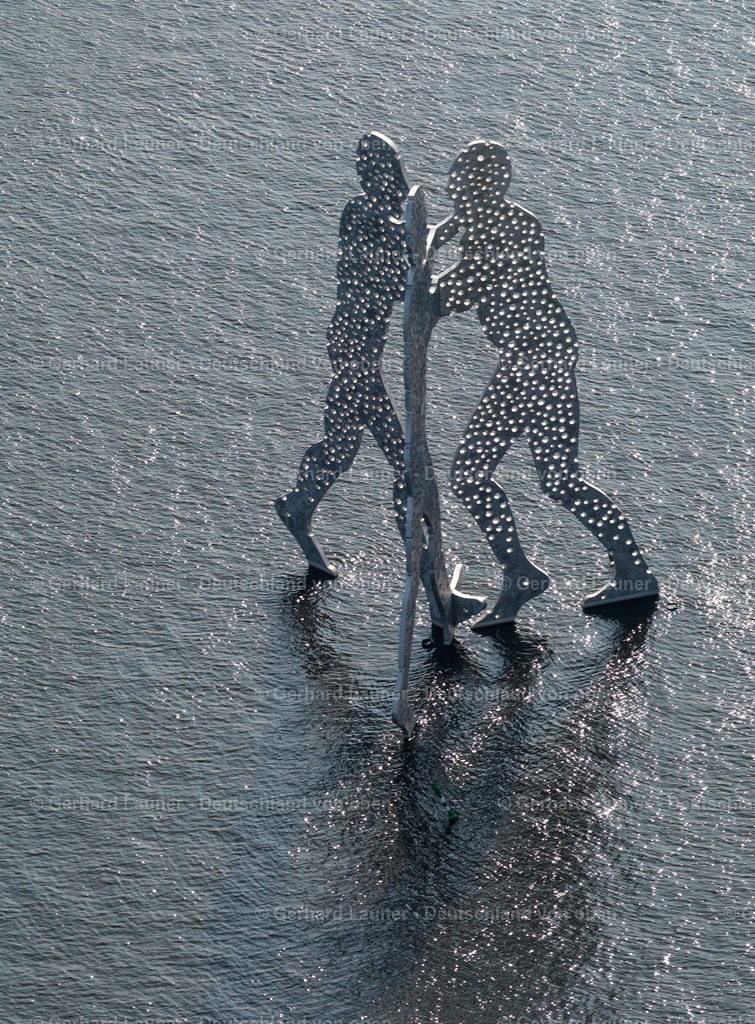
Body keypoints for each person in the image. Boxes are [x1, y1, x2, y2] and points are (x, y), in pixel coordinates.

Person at [429, 140, 658, 626]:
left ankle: (530, 573)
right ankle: (611, 571)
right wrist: (441, 236)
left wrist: (421, 265)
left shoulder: (508, 227)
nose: (455, 194)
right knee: (551, 478)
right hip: (531, 361)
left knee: (485, 475)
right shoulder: (492, 222)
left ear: (481, 187)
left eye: (461, 186)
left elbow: (457, 291)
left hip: (537, 365)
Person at [275, 132, 410, 577]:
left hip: (361, 345)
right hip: (354, 343)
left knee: (345, 445)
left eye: (382, 168)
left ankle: (299, 507)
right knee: (403, 460)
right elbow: (394, 283)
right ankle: (422, 564)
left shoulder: (389, 215)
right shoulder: (364, 214)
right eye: (370, 168)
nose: (375, 176)